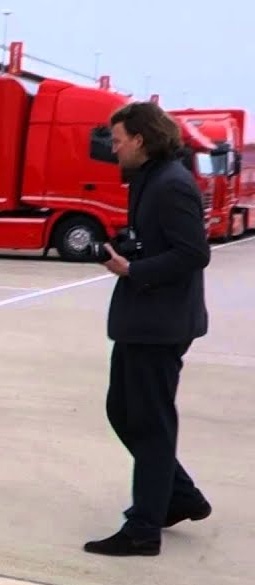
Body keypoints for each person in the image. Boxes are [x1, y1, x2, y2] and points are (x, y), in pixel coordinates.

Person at [83, 101, 212, 557]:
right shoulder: (150, 179)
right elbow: (157, 241)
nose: (113, 149)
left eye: (118, 141)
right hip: (143, 320)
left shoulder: (172, 184)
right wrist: (124, 248)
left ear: (140, 139)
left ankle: (143, 529)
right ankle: (178, 495)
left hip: (161, 323)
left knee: (150, 422)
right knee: (122, 411)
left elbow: (194, 253)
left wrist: (131, 271)